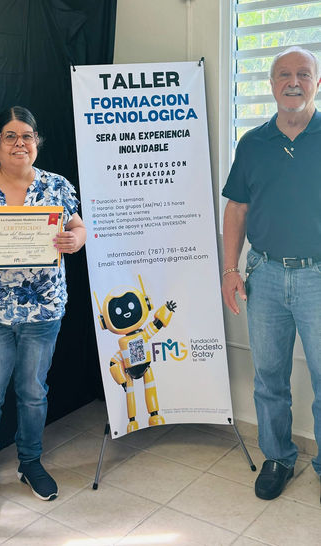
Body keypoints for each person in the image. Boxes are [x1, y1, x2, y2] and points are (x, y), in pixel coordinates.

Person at [0, 106, 86, 520]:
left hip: (43, 310)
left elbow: (79, 227)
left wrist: (76, 240)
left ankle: (30, 463)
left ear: (37, 141)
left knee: (33, 393)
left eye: (27, 135)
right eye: (10, 136)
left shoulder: (56, 185)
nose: (19, 143)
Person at [222, 46, 321, 501]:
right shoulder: (252, 144)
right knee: (268, 379)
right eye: (284, 74)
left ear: (317, 82)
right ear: (272, 85)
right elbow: (237, 209)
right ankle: (278, 457)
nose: (293, 82)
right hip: (263, 276)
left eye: (303, 73)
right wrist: (230, 269)